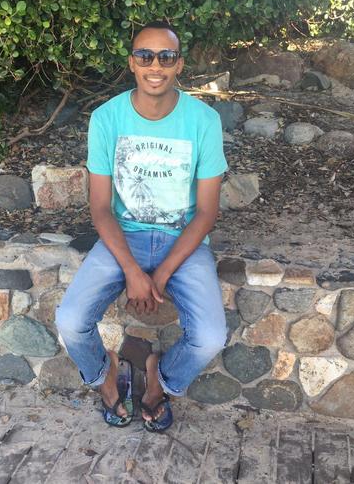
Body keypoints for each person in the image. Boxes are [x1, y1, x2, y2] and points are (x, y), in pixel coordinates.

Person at [56, 21, 228, 432]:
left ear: (179, 64)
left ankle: (159, 380)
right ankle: (105, 376)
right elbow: (100, 208)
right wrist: (133, 271)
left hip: (182, 240)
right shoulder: (107, 118)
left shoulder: (204, 120)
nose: (155, 66)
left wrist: (161, 273)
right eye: (145, 56)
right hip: (124, 236)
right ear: (132, 63)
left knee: (209, 337)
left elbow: (207, 213)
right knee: (70, 322)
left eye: (166, 57)